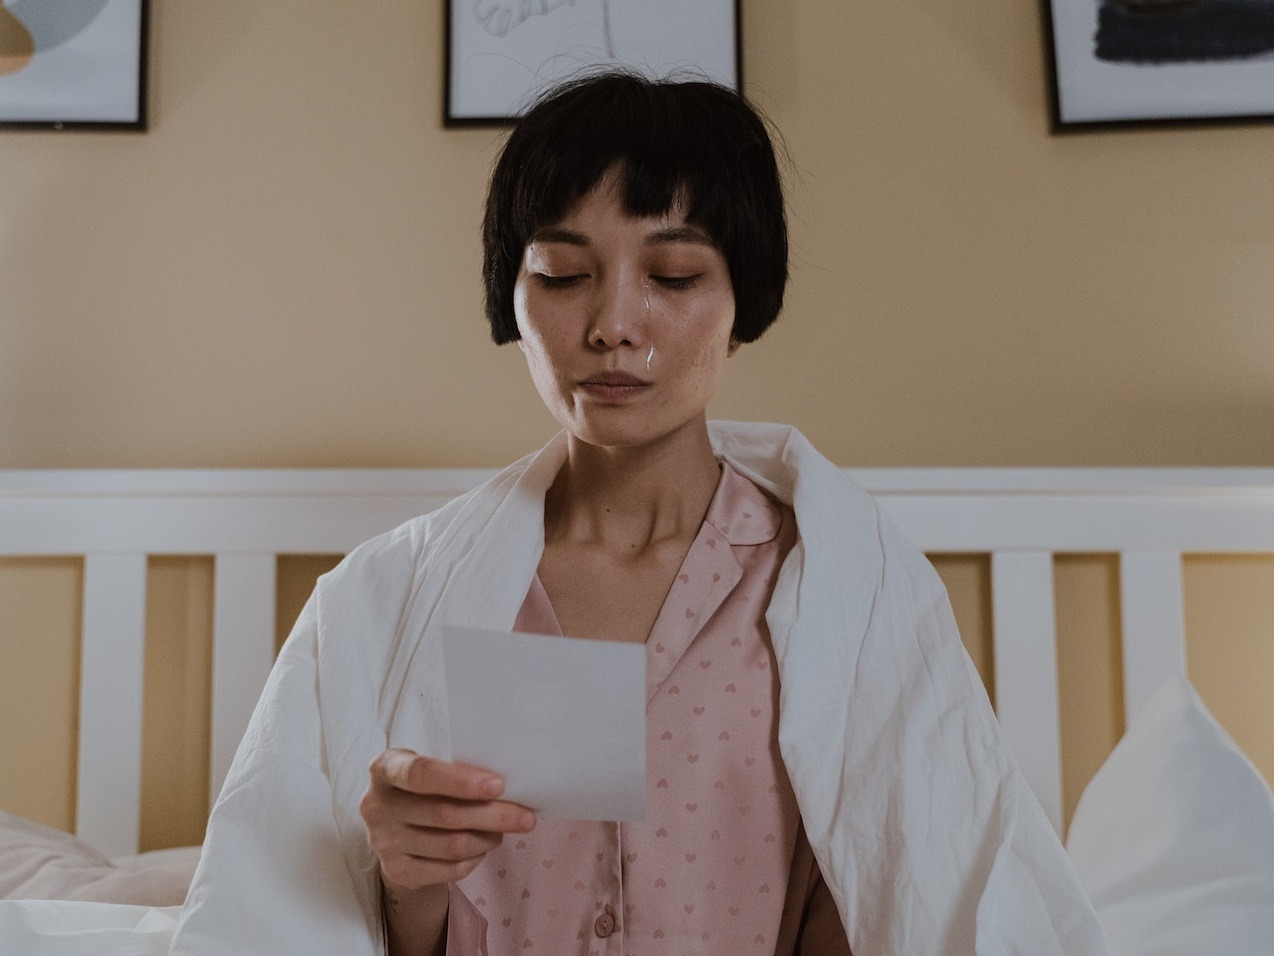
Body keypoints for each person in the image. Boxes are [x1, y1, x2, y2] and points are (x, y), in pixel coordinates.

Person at [171, 73, 1109, 955]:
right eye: (564, 275)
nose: (614, 323)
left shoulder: (853, 594)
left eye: (673, 275)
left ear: (744, 303)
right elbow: (300, 920)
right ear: (515, 296)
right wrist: (410, 881)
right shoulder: (378, 599)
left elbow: (898, 892)